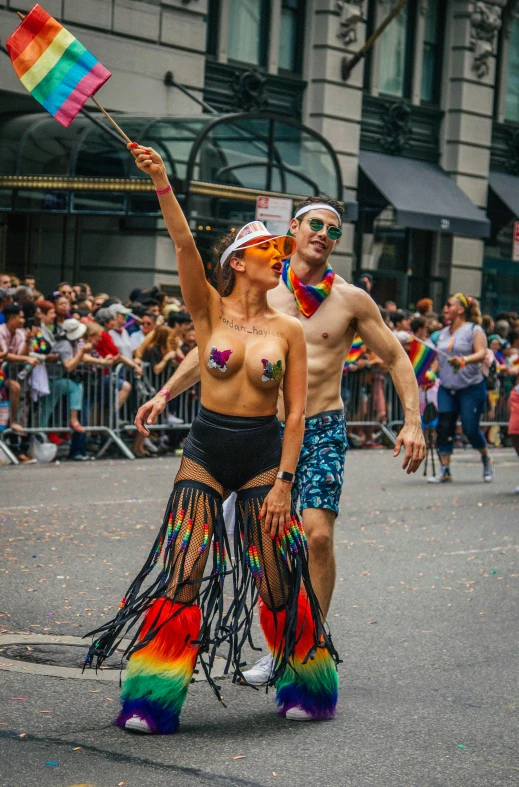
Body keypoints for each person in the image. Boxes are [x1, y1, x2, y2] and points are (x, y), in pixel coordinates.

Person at [85, 143, 339, 732]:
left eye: (279, 248)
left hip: (260, 458)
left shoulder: (289, 331)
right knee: (185, 569)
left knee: (279, 578)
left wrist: (283, 485)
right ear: (238, 261)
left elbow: (296, 416)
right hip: (203, 452)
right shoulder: (208, 311)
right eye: (267, 249)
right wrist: (161, 181)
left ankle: (307, 685)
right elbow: (181, 244)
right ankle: (152, 700)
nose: (279, 256)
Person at [134, 194, 425, 685]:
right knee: (243, 545)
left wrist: (413, 421)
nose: (324, 235)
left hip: (322, 427)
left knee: (317, 534)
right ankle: (230, 643)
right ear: (294, 227)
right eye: (316, 224)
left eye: (334, 230)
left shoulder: (351, 300)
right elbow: (213, 346)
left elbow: (397, 358)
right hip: (261, 434)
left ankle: (302, 646)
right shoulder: (264, 286)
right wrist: (165, 392)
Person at [428, 293, 493, 483]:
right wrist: (431, 375)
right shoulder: (443, 333)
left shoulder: (474, 330)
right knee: (444, 427)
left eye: (449, 305)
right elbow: (439, 358)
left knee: (470, 429)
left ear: (461, 309)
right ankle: (445, 470)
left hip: (471, 387)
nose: (445, 308)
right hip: (447, 388)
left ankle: (486, 458)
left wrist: (464, 360)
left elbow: (482, 353)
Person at [0, 303, 40, 444]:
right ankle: (11, 421)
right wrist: (27, 358)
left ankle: (12, 422)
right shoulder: (1, 331)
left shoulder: (20, 333)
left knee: (16, 388)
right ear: (11, 319)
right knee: (15, 387)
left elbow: (19, 355)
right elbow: (5, 356)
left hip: (7, 375)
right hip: (2, 374)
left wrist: (28, 341)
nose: (23, 320)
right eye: (21, 317)